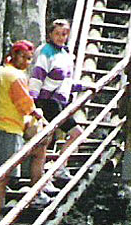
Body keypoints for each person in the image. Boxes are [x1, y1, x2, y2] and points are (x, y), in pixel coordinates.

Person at [0, 40, 53, 225]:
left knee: (37, 150)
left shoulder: (1, 72)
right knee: (2, 177)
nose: (25, 62)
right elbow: (25, 104)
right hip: (7, 129)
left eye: (29, 59)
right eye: (22, 56)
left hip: (1, 127)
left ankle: (35, 192)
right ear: (13, 54)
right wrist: (38, 114)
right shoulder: (14, 76)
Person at [29, 19, 90, 184]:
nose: (61, 37)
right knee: (71, 134)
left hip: (60, 102)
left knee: (67, 136)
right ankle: (54, 171)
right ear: (50, 34)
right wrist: (33, 102)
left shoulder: (65, 54)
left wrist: (84, 87)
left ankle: (57, 169)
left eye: (64, 34)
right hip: (46, 102)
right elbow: (37, 76)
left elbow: (66, 81)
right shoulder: (46, 52)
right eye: (57, 34)